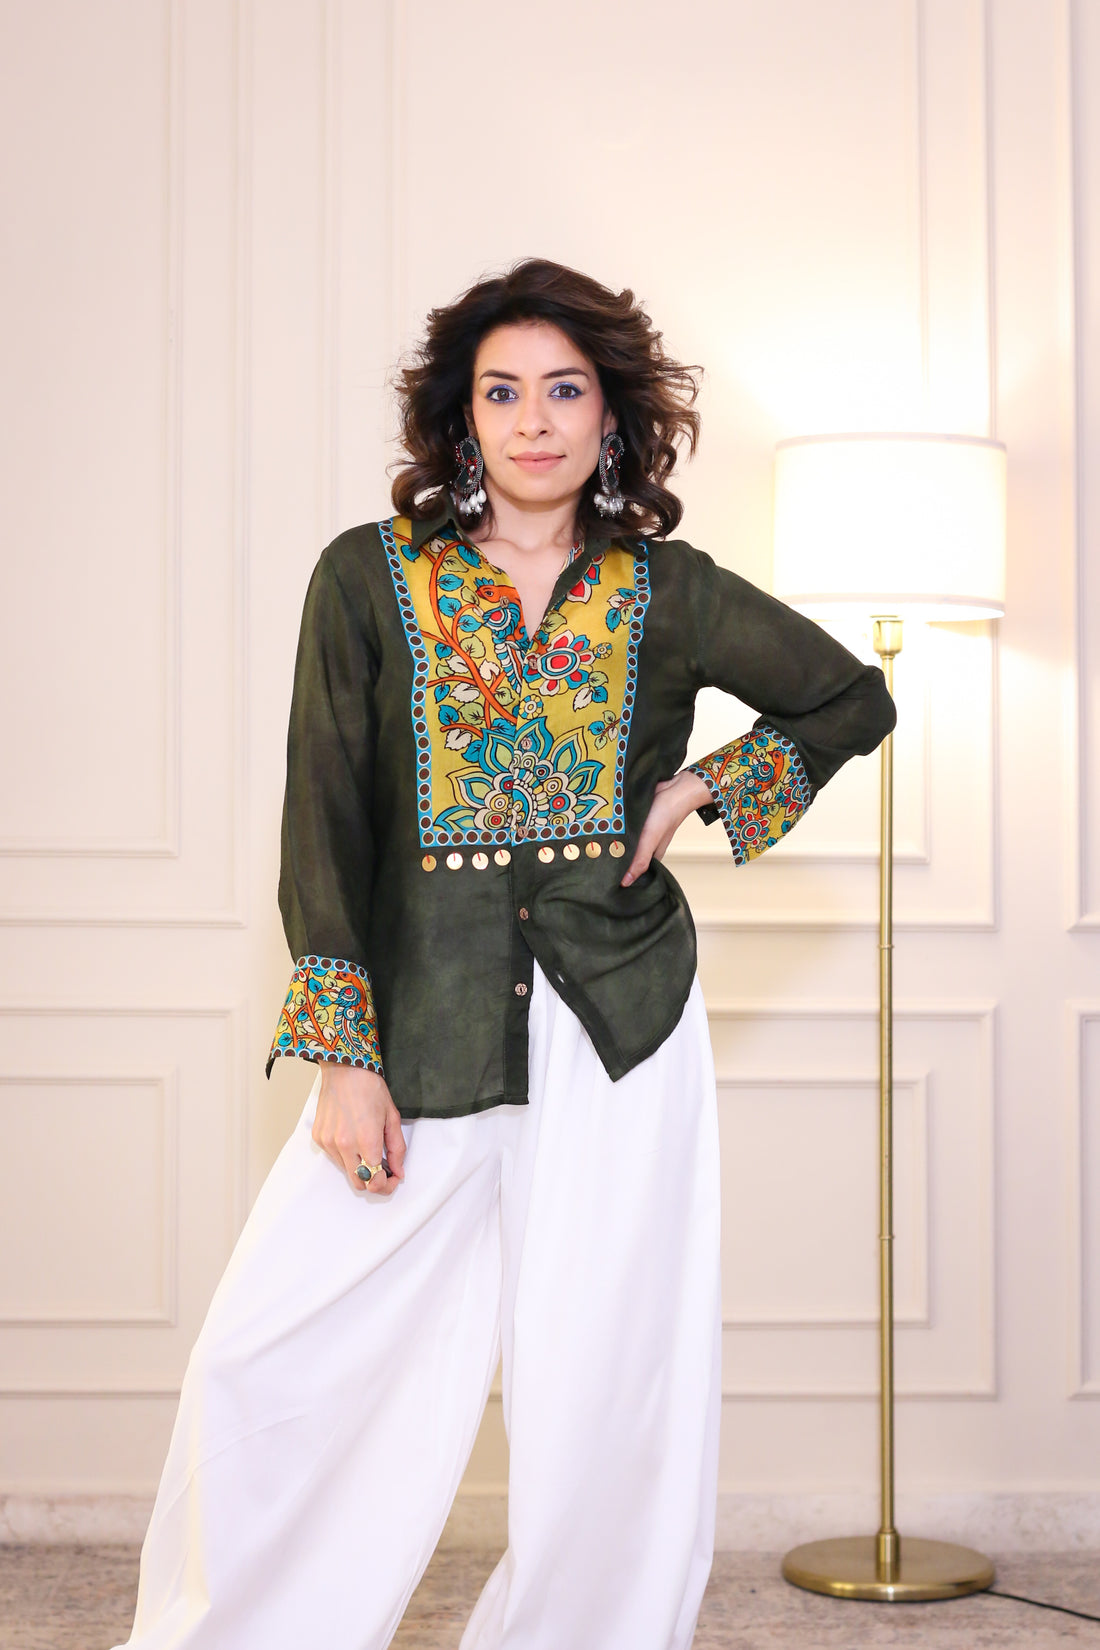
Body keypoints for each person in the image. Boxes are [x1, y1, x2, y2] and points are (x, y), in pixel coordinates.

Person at [114, 258, 895, 1650]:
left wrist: (698, 790)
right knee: (275, 1353)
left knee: (607, 1384)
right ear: (461, 419)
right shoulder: (367, 578)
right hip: (420, 1022)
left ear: (613, 416)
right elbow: (322, 820)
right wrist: (344, 1058)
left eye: (565, 390)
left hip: (621, 1028)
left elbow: (851, 697)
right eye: (502, 392)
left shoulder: (668, 590)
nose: (534, 420)